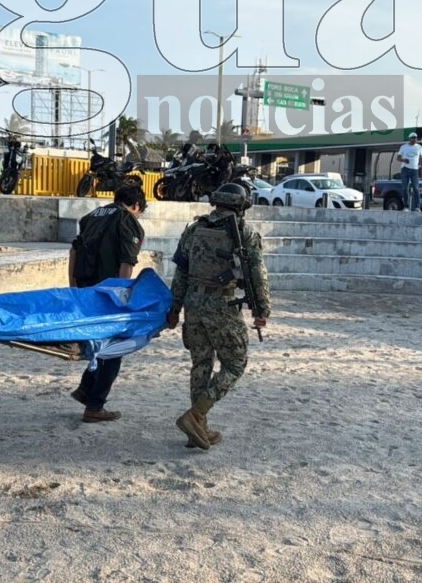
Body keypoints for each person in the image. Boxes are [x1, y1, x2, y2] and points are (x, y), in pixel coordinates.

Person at [167, 181, 271, 450]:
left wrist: (175, 308)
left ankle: (198, 429)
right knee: (235, 363)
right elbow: (257, 275)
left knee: (201, 363)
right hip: (222, 305)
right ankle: (197, 414)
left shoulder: (194, 229)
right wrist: (261, 310)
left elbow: (181, 275)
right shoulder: (245, 233)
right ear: (241, 206)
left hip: (193, 305)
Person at [66, 181, 147, 423]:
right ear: (136, 205)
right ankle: (95, 405)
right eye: (140, 210)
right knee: (115, 348)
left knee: (102, 345)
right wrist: (121, 298)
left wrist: (73, 287)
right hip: (108, 294)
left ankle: (85, 389)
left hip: (84, 289)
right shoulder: (128, 221)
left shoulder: (91, 216)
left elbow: (74, 251)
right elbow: (126, 261)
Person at [397, 132, 422, 213]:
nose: (414, 139)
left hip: (414, 170)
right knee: (405, 188)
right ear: (409, 138)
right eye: (412, 137)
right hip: (405, 169)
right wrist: (404, 160)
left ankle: (417, 207)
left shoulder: (419, 147)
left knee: (416, 188)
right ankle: (406, 206)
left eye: (415, 137)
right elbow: (398, 158)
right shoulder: (404, 147)